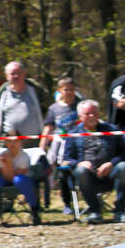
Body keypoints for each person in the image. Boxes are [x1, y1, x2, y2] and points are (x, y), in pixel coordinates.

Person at [64, 98, 125, 223]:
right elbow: (67, 159)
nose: (92, 116)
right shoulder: (73, 134)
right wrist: (80, 163)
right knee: (80, 171)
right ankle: (95, 211)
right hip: (88, 176)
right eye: (87, 114)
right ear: (80, 116)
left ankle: (120, 210)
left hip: (111, 173)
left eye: (94, 113)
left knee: (123, 166)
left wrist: (111, 164)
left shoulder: (112, 130)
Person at [0, 60, 46, 209]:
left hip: (33, 139)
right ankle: (7, 202)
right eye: (12, 74)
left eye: (18, 73)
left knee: (33, 171)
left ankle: (34, 204)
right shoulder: (2, 92)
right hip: (9, 140)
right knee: (6, 168)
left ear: (24, 74)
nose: (15, 76)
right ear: (6, 76)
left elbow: (46, 108)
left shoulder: (35, 90)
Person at [0, 133, 41, 225]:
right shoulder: (0, 154)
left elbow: (13, 177)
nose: (12, 144)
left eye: (15, 141)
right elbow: (6, 176)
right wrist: (7, 164)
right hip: (4, 178)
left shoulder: (24, 157)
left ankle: (34, 209)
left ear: (20, 142)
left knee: (19, 180)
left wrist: (9, 163)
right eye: (9, 141)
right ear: (6, 142)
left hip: (21, 181)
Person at [42, 75, 81, 214]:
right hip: (61, 147)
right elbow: (48, 127)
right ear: (60, 90)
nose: (69, 92)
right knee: (64, 174)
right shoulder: (54, 108)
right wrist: (42, 146)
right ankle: (67, 203)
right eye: (66, 90)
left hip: (79, 144)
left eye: (72, 90)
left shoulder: (80, 105)